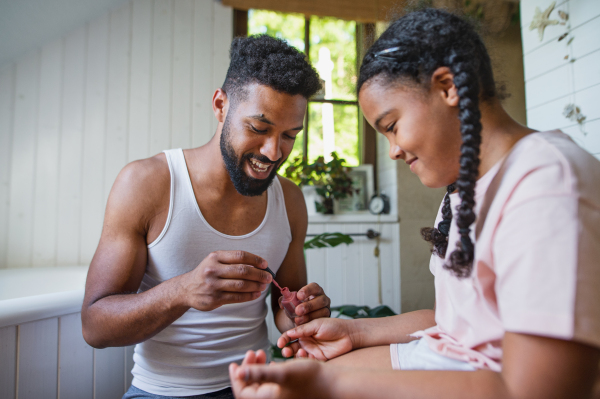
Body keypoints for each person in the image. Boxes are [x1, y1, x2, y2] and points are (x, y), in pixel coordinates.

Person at [229, 8, 600, 399]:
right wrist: (354, 331)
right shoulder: (464, 189)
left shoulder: (546, 183)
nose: (391, 151)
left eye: (391, 126)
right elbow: (456, 321)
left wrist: (331, 384)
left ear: (448, 86)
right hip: (451, 361)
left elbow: (536, 390)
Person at [81, 35, 332, 399]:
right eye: (259, 129)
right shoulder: (147, 183)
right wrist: (183, 291)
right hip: (163, 391)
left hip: (257, 387)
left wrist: (299, 313)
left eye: (290, 135)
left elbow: (283, 304)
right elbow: (95, 327)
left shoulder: (289, 200)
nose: (274, 151)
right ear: (220, 104)